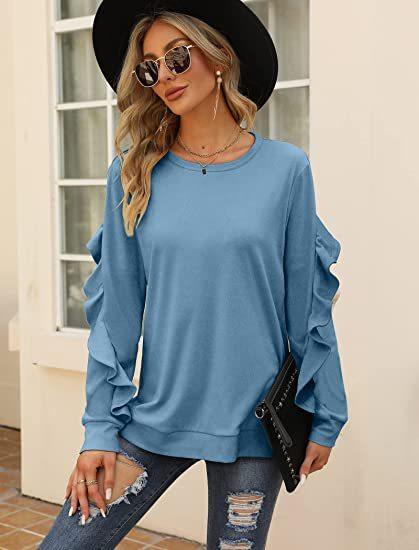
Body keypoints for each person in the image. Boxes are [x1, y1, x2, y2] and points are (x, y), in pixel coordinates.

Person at [40, 1, 348, 548]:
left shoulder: (286, 170)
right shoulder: (134, 173)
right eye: (150, 67)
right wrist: (99, 429)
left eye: (177, 57)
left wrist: (326, 413)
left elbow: (306, 307)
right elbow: (116, 316)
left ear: (218, 57)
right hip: (154, 417)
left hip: (254, 427)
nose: (164, 75)